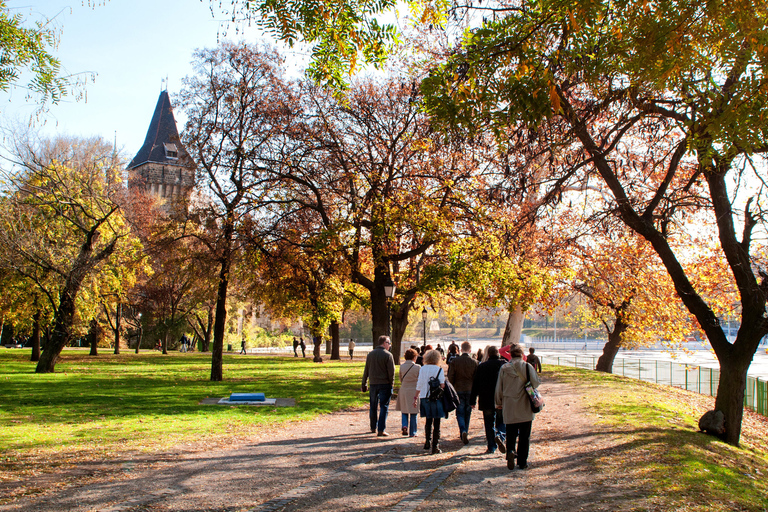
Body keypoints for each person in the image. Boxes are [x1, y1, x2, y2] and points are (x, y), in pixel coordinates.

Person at [495, 345, 541, 470]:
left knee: (511, 432)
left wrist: (498, 402)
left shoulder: (504, 368)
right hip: (525, 404)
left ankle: (510, 450)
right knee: (524, 435)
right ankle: (522, 461)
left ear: (510, 354)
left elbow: (499, 387)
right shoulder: (527, 367)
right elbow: (536, 383)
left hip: (509, 404)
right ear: (521, 354)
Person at [471, 345, 507, 454]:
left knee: (489, 423)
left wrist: (472, 400)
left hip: (486, 399)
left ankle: (491, 446)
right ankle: (500, 434)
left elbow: (475, 384)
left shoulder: (482, 366)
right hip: (501, 399)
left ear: (489, 354)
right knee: (502, 421)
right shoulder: (504, 365)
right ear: (498, 353)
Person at [361, 335, 396, 436]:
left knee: (373, 406)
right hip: (384, 384)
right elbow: (391, 372)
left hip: (373, 383)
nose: (389, 345)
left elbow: (366, 370)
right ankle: (381, 429)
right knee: (384, 406)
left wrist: (364, 383)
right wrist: (391, 383)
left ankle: (373, 427)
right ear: (384, 343)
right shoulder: (388, 355)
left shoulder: (370, 354)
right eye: (388, 343)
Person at [413, 349, 446, 454]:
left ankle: (427, 441)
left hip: (424, 396)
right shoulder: (439, 369)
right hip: (436, 397)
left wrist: (416, 396)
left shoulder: (422, 369)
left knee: (428, 420)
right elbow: (442, 385)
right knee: (437, 421)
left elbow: (419, 383)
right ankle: (435, 445)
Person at [448, 341, 478, 445]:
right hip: (470, 389)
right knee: (467, 411)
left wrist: (452, 387)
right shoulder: (474, 362)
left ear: (461, 350)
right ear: (470, 350)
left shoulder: (455, 362)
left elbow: (450, 376)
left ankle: (463, 430)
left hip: (458, 389)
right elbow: (476, 378)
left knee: (460, 412)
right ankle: (466, 430)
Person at [395, 348, 420, 437]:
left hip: (404, 389)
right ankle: (413, 431)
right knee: (413, 411)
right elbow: (419, 380)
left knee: (404, 410)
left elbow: (401, 378)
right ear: (414, 357)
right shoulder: (417, 367)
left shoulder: (402, 366)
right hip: (414, 389)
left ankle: (404, 425)